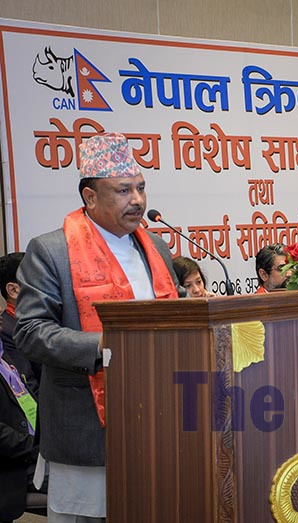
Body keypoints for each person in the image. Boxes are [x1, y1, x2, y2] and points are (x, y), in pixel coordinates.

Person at [14, 132, 180, 522]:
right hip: (88, 426)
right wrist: (103, 345)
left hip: (161, 418)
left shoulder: (156, 247)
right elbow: (30, 331)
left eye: (140, 188)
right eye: (123, 190)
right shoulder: (52, 251)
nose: (137, 200)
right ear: (90, 197)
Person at [0, 314, 42, 523]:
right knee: (84, 482)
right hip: (14, 465)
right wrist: (39, 447)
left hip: (35, 446)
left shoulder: (5, 357)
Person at [0, 252, 40, 395]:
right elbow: (27, 386)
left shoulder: (40, 323)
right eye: (37, 281)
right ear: (13, 290)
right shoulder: (6, 330)